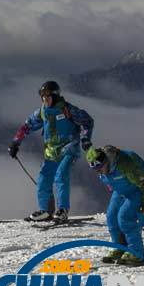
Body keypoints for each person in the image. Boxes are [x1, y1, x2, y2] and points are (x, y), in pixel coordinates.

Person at [8, 80, 94, 223]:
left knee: (61, 175)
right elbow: (27, 126)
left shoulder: (67, 109)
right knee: (43, 179)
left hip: (69, 148)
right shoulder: (42, 112)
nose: (45, 99)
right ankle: (45, 211)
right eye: (43, 97)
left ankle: (62, 210)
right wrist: (15, 143)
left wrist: (85, 139)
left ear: (55, 96)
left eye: (48, 96)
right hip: (51, 152)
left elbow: (87, 121)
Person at [86, 145, 144, 266]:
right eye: (95, 170)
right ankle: (120, 247)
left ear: (106, 161)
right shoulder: (103, 168)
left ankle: (136, 252)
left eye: (100, 168)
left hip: (137, 190)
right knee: (111, 217)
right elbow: (109, 180)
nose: (99, 172)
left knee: (125, 217)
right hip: (120, 190)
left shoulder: (125, 164)